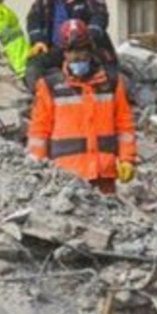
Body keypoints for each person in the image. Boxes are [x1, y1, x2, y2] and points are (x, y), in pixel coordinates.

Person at [27, 19, 137, 193]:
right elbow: (39, 130)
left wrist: (127, 159)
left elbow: (124, 125)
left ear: (90, 49)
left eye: (81, 49)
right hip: (66, 177)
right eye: (71, 51)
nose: (77, 56)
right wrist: (36, 166)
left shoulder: (111, 83)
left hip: (103, 175)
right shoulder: (50, 85)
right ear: (64, 53)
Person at [24, 0, 119, 93]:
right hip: (58, 48)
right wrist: (38, 40)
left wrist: (89, 35)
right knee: (34, 66)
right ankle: (40, 101)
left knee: (109, 77)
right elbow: (34, 17)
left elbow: (100, 14)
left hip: (86, 46)